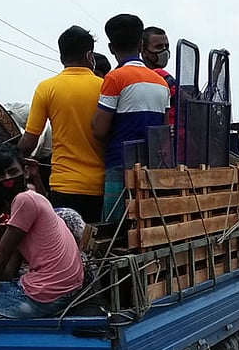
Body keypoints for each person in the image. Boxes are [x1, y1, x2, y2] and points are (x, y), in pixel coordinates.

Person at [0, 188, 86, 330]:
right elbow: (8, 273)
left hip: (45, 297)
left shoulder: (25, 202)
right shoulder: (35, 205)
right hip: (60, 289)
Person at [18, 25, 106, 223]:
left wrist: (8, 156)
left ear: (61, 57)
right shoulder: (104, 87)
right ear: (90, 55)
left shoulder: (47, 88)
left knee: (66, 248)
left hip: (63, 186)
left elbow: (29, 142)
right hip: (100, 187)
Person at [92, 13, 171, 222]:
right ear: (140, 44)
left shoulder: (114, 78)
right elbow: (163, 133)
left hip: (119, 166)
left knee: (116, 230)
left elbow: (99, 130)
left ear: (110, 48)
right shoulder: (161, 83)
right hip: (150, 170)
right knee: (144, 226)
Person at [141, 25, 177, 123]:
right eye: (158, 47)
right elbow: (191, 102)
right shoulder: (161, 74)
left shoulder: (137, 76)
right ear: (143, 51)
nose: (165, 51)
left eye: (167, 46)